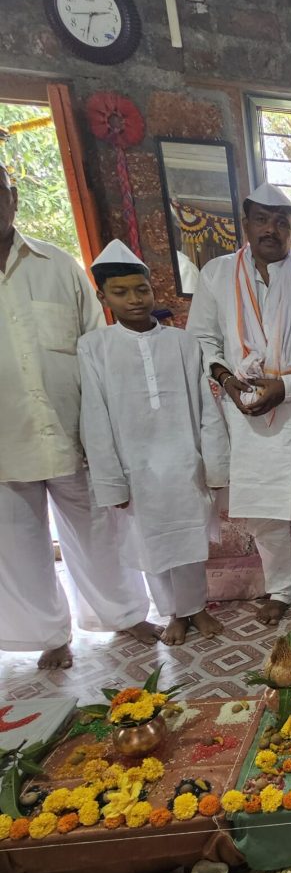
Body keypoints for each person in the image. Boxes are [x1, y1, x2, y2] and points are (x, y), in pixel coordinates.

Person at [0, 166, 157, 669]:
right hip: (6, 437)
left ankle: (125, 614)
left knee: (98, 530)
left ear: (13, 197)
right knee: (18, 543)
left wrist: (105, 430)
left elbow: (96, 348)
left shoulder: (57, 265)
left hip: (73, 430)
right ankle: (48, 635)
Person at [186, 182, 291, 624]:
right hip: (245, 413)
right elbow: (202, 341)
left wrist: (285, 388)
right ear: (246, 224)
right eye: (262, 220)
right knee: (264, 512)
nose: (271, 229)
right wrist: (227, 382)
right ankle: (280, 588)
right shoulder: (217, 276)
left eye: (281, 222)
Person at [78, 241, 230, 646]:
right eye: (121, 292)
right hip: (135, 468)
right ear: (103, 297)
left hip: (183, 462)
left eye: (141, 290)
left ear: (152, 290)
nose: (134, 300)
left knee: (190, 539)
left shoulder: (183, 343)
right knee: (151, 546)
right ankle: (173, 613)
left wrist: (215, 465)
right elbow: (95, 416)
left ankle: (196, 607)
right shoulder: (94, 347)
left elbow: (207, 407)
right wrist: (111, 480)